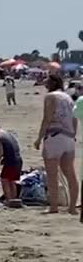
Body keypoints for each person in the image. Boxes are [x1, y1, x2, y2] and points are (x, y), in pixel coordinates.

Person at [33, 74, 79, 214]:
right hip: (68, 137)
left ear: (51, 83)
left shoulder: (51, 97)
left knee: (52, 174)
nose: (45, 83)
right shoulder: (68, 98)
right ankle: (72, 207)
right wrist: (73, 135)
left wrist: (39, 138)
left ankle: (53, 207)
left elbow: (47, 118)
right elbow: (75, 119)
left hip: (54, 136)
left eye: (47, 81)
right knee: (70, 174)